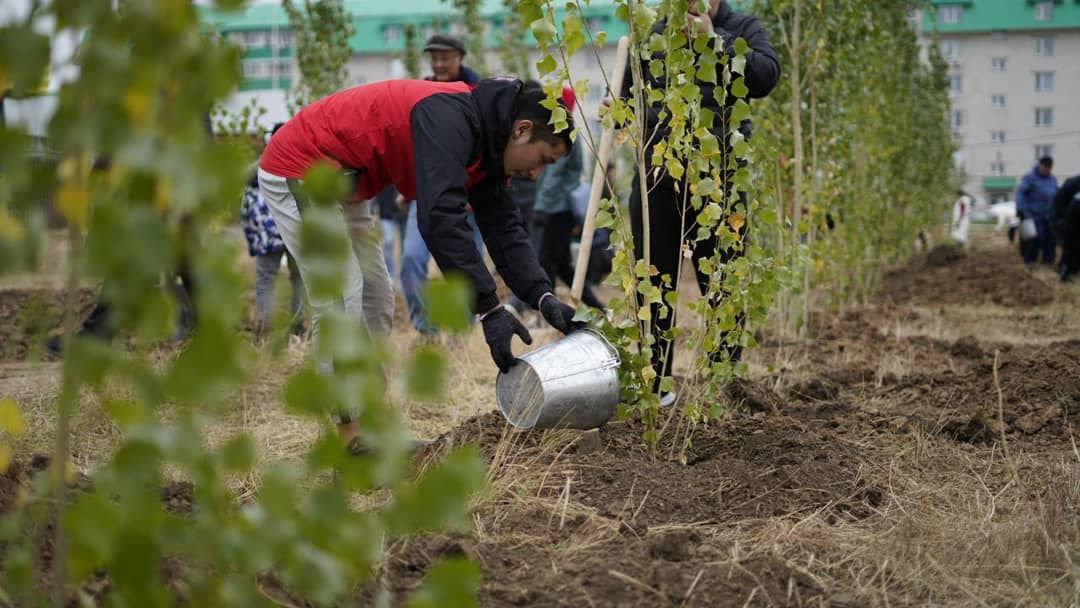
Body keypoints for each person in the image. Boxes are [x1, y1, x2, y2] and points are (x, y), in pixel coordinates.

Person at [257, 77, 579, 445]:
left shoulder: (488, 142)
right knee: (342, 295)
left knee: (376, 300)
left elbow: (504, 226)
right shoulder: (450, 119)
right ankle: (352, 441)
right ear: (522, 130)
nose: (536, 174)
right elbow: (440, 218)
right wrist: (489, 310)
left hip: (347, 183)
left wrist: (542, 295)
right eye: (542, 159)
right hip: (302, 165)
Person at [620, 0, 780, 406]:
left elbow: (766, 77)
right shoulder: (651, 34)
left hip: (721, 176)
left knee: (723, 280)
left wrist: (716, 41)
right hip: (658, 176)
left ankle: (723, 386)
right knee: (653, 278)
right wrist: (619, 112)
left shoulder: (742, 28)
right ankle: (657, 387)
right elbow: (628, 100)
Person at [399, 33, 485, 334]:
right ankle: (425, 328)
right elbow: (410, 146)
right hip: (425, 192)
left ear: (460, 58)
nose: (439, 63)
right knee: (411, 258)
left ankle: (462, 332)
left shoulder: (479, 93)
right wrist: (406, 185)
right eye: (434, 58)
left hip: (471, 195)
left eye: (445, 57)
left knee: (468, 266)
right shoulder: (420, 92)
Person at [532, 90, 604, 309]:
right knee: (562, 264)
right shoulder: (563, 132)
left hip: (556, 208)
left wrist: (540, 207)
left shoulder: (562, 136)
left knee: (546, 261)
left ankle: (547, 310)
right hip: (558, 207)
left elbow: (554, 175)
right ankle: (597, 307)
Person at [242, 168, 306, 339]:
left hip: (267, 233)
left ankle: (266, 328)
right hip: (294, 227)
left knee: (265, 280)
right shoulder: (298, 160)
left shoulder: (259, 167)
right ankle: (297, 326)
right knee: (299, 277)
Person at [1015, 156, 1058, 265]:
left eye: (1049, 168)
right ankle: (1030, 261)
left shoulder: (1052, 179)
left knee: (1050, 238)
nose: (1047, 170)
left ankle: (1048, 261)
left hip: (1048, 215)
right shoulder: (1030, 178)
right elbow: (1020, 193)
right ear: (1040, 165)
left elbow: (1056, 194)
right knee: (1036, 237)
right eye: (1045, 167)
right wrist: (1021, 209)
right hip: (1033, 214)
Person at [1053, 173, 1080, 280]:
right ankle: (1065, 272)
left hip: (1072, 214)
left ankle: (1072, 270)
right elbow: (1058, 201)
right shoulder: (1072, 183)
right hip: (1070, 217)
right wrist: (1062, 220)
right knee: (1070, 246)